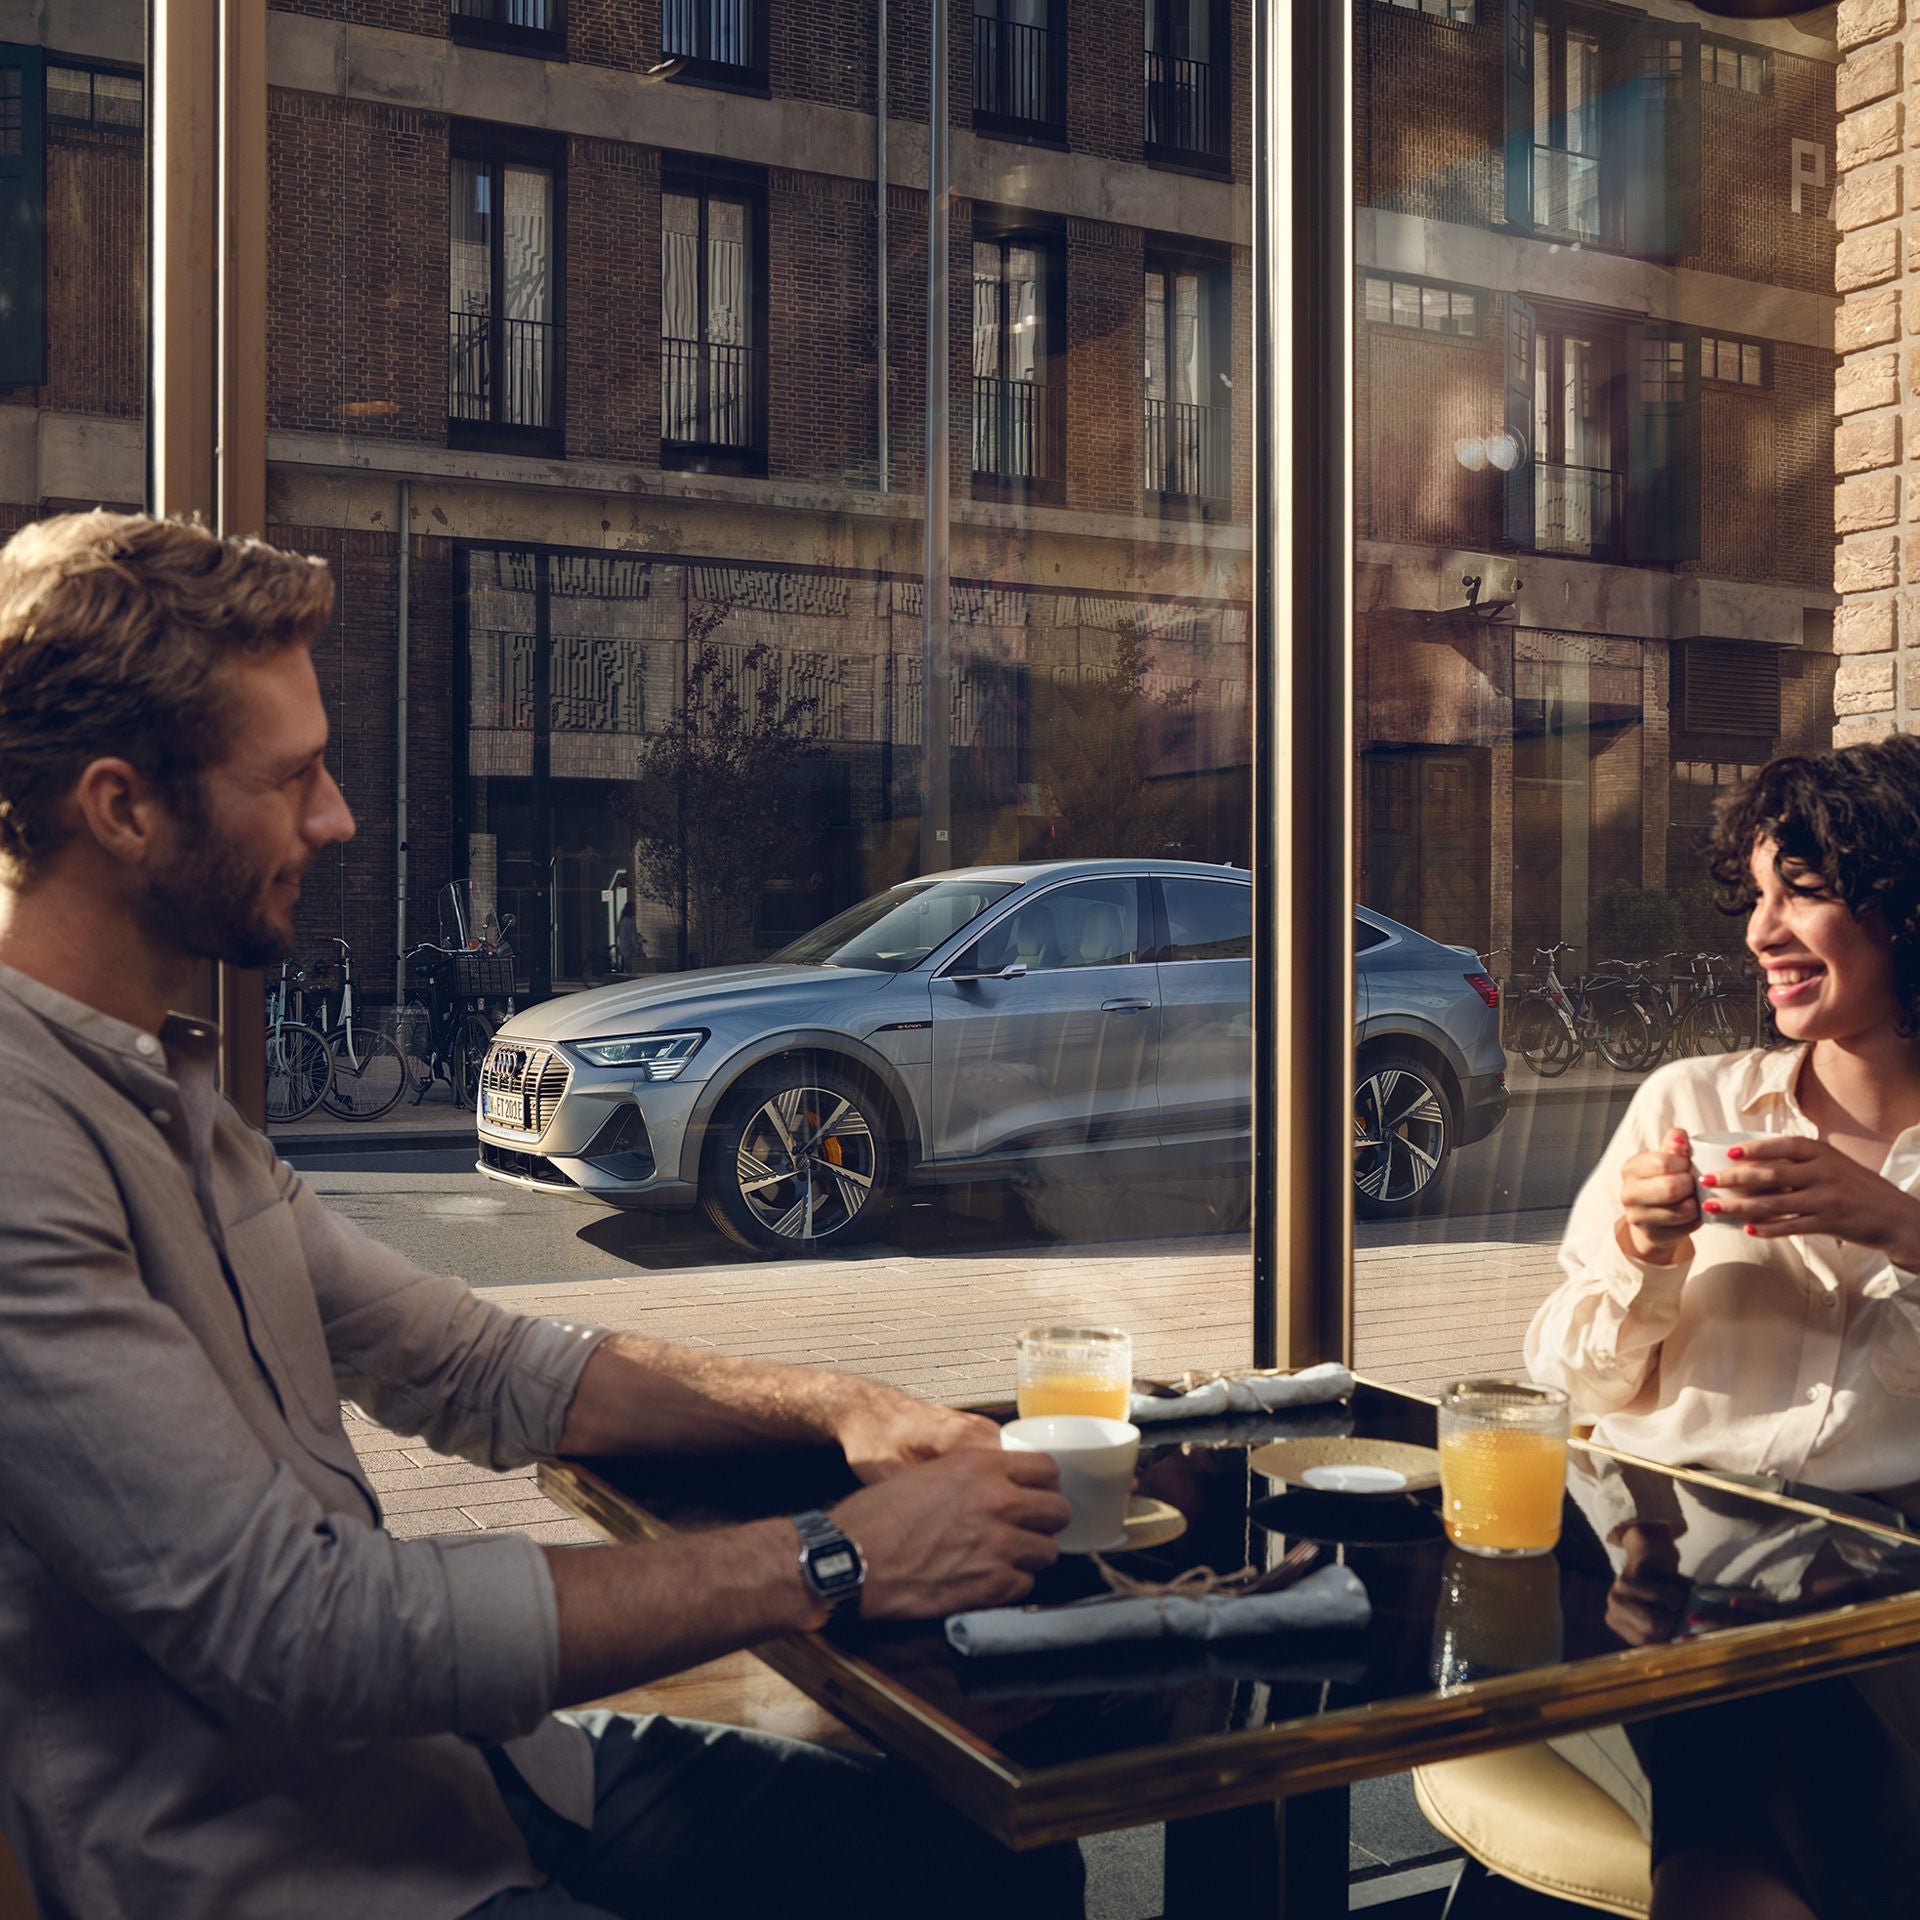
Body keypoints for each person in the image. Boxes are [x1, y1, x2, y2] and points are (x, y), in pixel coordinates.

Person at [0, 512, 1080, 1920]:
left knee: (998, 1861)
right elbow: (301, 1630)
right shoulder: (21, 1146)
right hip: (292, 1874)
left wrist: (844, 1407)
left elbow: (474, 1361)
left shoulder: (162, 1081)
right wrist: (841, 1556)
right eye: (292, 776)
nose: (336, 817)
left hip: (475, 1774)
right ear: (121, 808)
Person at [1525, 735, 1920, 1920]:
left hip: (1882, 1592)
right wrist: (1645, 1255)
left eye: (1802, 889)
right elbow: (1560, 1376)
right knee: (1745, 1684)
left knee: (1795, 1693)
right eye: (1754, 896)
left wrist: (1902, 1228)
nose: (1760, 931)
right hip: (1663, 1566)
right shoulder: (1689, 1103)